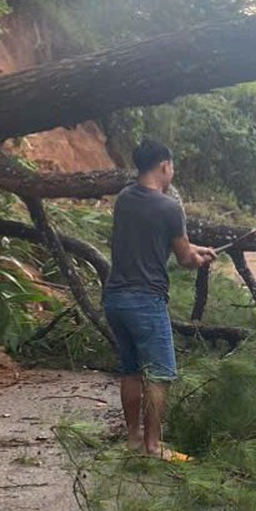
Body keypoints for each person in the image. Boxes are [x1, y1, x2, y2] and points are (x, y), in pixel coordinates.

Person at [103, 139, 215, 460]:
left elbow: (166, 243)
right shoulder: (169, 207)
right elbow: (183, 258)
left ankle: (134, 440)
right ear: (164, 165)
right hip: (146, 300)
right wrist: (199, 259)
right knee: (160, 374)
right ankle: (154, 447)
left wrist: (197, 249)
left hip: (115, 298)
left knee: (131, 371)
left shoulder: (124, 199)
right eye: (172, 167)